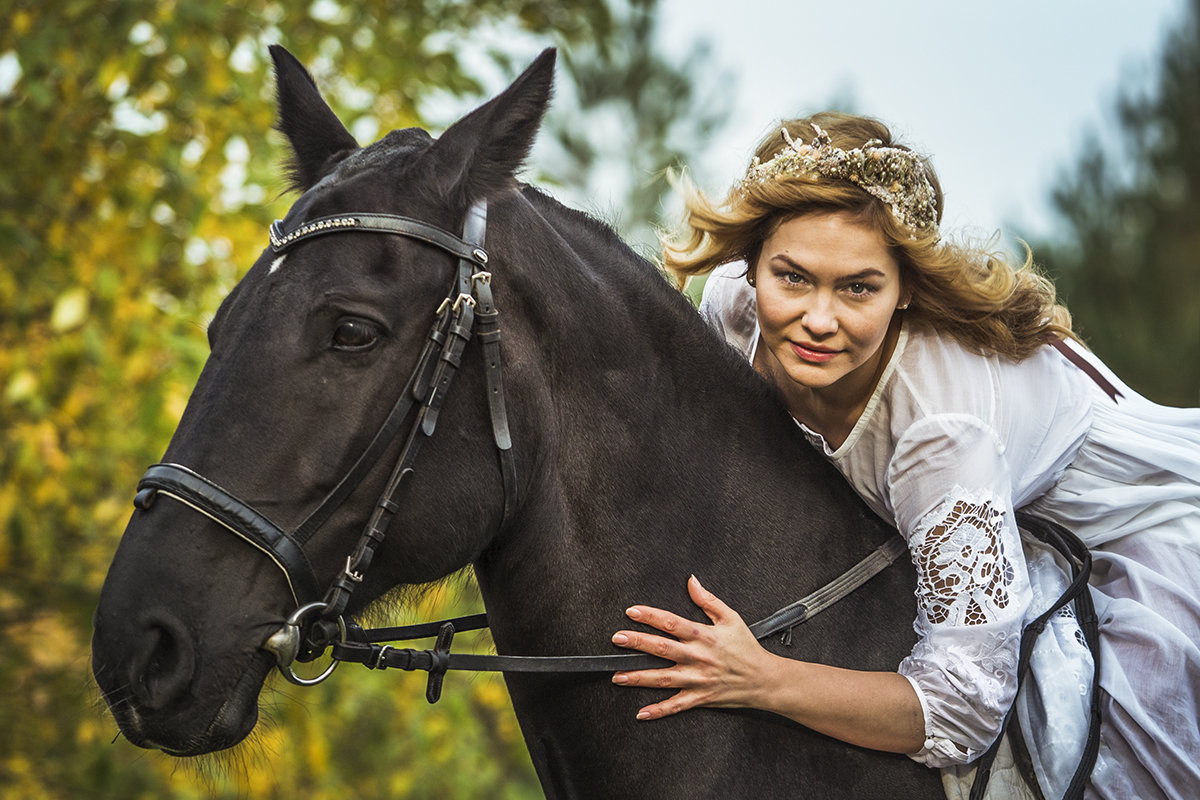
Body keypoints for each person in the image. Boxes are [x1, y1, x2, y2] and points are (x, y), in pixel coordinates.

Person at [609, 112, 1200, 799]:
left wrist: (762, 677)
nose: (819, 320)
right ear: (751, 263)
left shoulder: (939, 433)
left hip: (1120, 523)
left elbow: (965, 709)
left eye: (858, 287)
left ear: (906, 288)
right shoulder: (733, 309)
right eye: (793, 278)